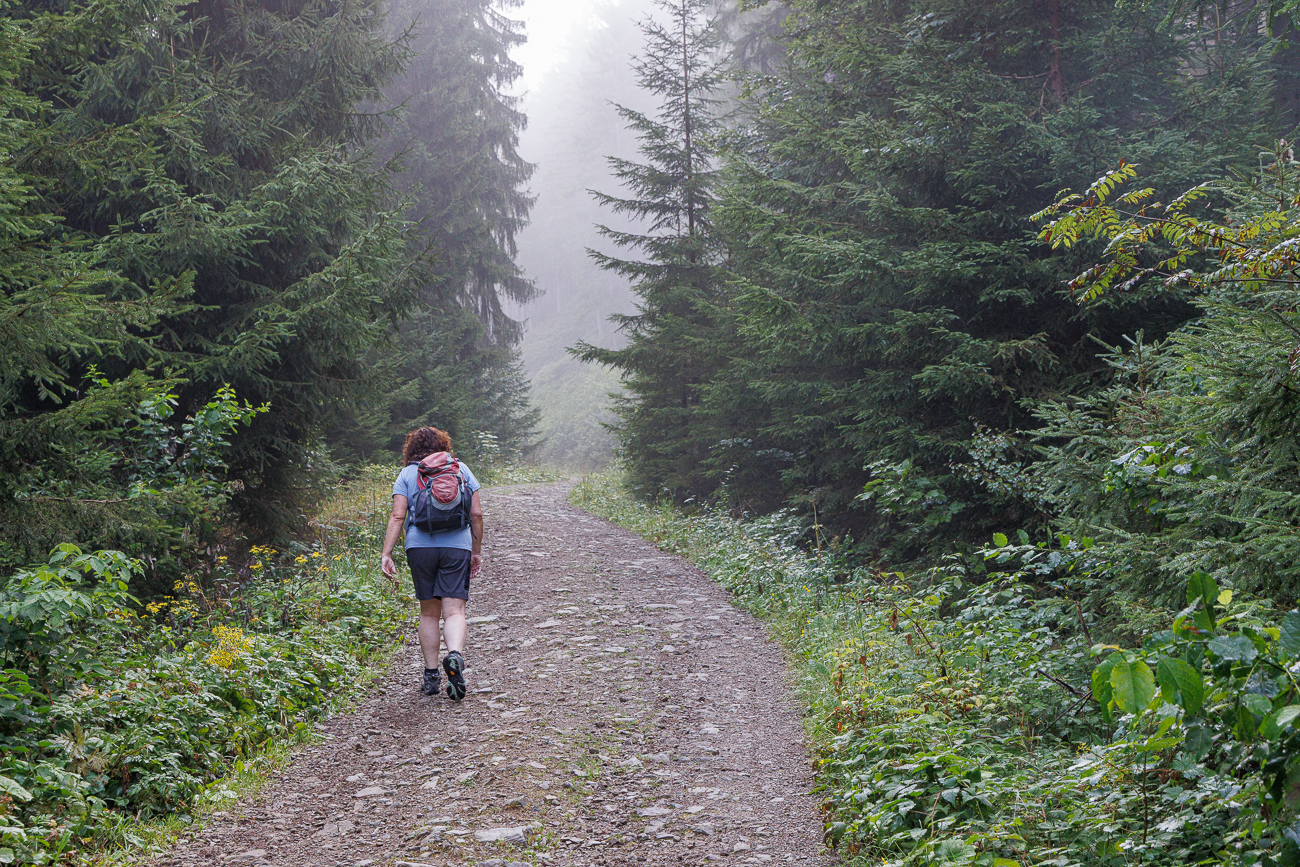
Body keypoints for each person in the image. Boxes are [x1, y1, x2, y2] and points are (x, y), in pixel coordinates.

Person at [380, 426, 483, 701]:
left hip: (420, 547)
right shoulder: (460, 469)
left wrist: (386, 553)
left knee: (428, 613)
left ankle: (431, 675)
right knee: (454, 611)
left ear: (411, 449)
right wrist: (476, 551)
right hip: (457, 546)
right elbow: (476, 514)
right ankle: (455, 655)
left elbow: (398, 516)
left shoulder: (407, 474)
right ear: (444, 446)